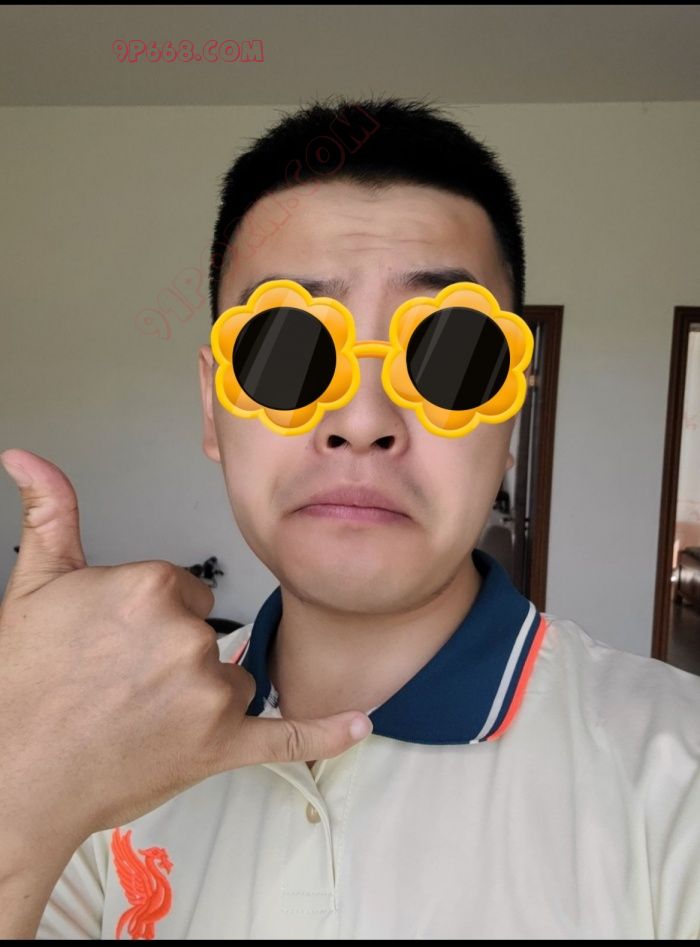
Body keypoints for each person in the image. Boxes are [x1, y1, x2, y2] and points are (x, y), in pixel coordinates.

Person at [0, 97, 698, 940]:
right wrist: (24, 786)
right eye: (287, 349)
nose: (361, 421)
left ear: (509, 419)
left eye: (451, 352)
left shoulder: (677, 771)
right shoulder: (99, 751)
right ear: (214, 409)